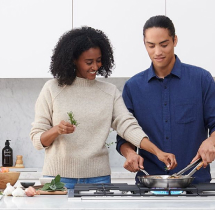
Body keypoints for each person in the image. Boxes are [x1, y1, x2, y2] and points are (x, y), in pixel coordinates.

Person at [30, 26, 177, 189]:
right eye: (88, 62)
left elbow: (128, 126)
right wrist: (57, 130)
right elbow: (37, 140)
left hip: (98, 179)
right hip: (57, 179)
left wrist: (158, 152)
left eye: (98, 60)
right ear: (73, 59)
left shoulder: (109, 92)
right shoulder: (52, 89)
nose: (95, 67)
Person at [117, 15, 215, 183]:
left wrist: (210, 142)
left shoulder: (201, 79)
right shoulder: (133, 87)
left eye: (164, 45)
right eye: (151, 45)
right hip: (149, 184)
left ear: (175, 40)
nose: (158, 52)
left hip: (195, 182)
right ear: (144, 44)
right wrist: (130, 154)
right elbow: (124, 136)